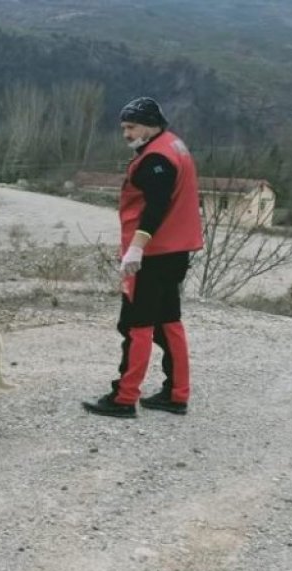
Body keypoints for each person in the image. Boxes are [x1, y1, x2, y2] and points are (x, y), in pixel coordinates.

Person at [82, 97, 203, 418]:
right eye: (123, 127)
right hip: (177, 251)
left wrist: (137, 246)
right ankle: (177, 394)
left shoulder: (156, 159)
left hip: (152, 254)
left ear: (151, 124)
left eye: (131, 127)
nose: (126, 133)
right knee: (169, 321)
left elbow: (156, 206)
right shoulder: (174, 145)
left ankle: (123, 398)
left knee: (136, 325)